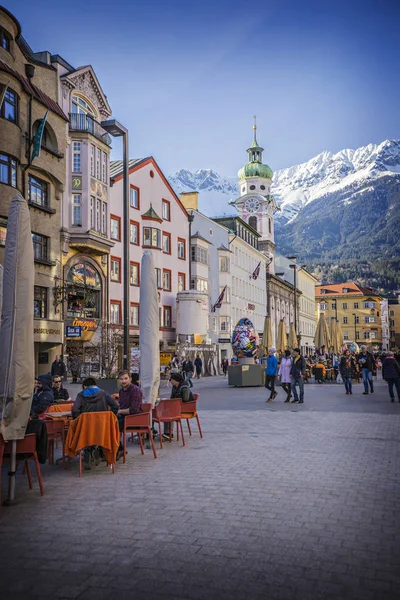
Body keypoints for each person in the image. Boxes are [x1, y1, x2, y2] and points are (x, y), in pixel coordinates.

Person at [71, 377, 120, 470]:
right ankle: (95, 449)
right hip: (103, 427)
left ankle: (88, 449)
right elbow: (116, 405)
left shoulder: (81, 395)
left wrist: (80, 420)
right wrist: (109, 417)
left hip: (86, 428)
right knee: (99, 434)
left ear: (85, 386)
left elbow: (74, 410)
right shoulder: (104, 393)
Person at [116, 370, 143, 458]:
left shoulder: (135, 390)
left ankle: (118, 449)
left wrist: (119, 412)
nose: (123, 381)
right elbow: (121, 406)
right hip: (124, 417)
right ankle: (116, 448)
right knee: (106, 423)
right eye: (121, 379)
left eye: (125, 378)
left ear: (130, 379)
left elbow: (133, 410)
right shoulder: (121, 391)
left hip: (134, 418)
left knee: (112, 426)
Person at [163, 372, 194, 438]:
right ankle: (167, 432)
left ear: (175, 380)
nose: (170, 381)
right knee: (165, 412)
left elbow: (185, 399)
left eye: (171, 380)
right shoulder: (174, 387)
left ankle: (169, 433)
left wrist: (175, 402)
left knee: (168, 413)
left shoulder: (184, 388)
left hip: (185, 408)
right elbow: (172, 397)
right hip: (177, 406)